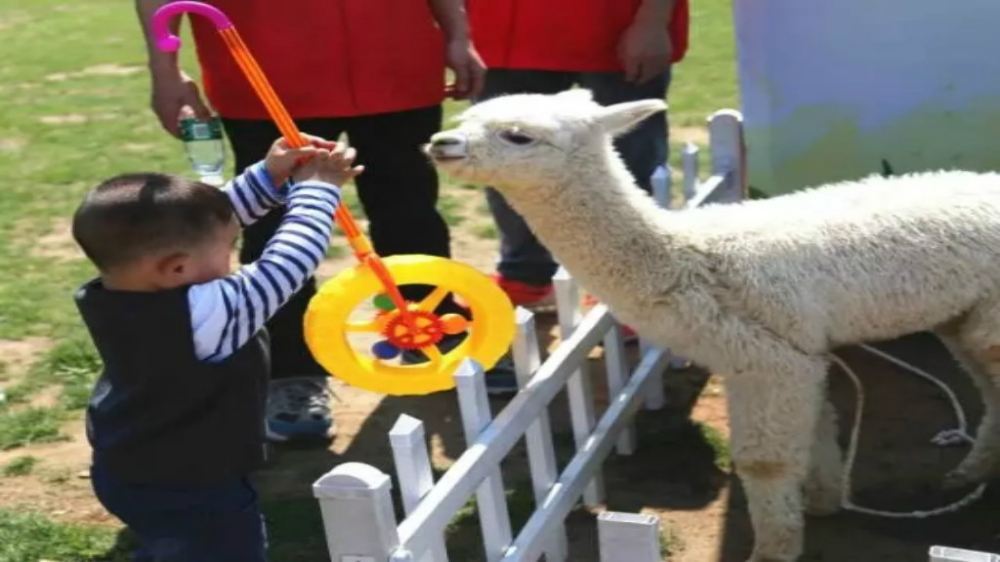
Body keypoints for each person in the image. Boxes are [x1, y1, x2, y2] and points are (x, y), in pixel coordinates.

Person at [135, 0, 485, 440]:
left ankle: (431, 330)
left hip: (398, 62)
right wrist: (165, 70)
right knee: (272, 224)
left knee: (412, 212)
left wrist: (458, 34)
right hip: (264, 70)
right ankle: (290, 370)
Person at [72, 136, 360, 561]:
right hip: (193, 486)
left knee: (173, 546)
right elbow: (290, 261)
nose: (232, 258)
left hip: (126, 466)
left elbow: (203, 225)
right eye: (229, 250)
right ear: (177, 268)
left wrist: (268, 177)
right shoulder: (204, 314)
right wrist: (318, 190)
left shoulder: (117, 288)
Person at [468, 0, 689, 392]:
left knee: (629, 160)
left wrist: (653, 20)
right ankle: (526, 274)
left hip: (617, 20)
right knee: (507, 157)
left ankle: (634, 286)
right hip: (502, 25)